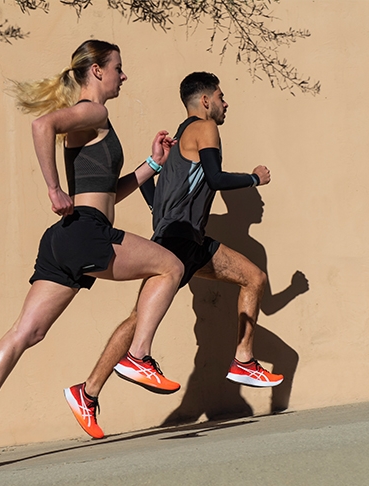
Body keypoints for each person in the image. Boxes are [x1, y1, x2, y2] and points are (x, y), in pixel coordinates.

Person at [0, 40, 185, 467]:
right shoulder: (95, 111)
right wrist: (54, 188)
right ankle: (137, 355)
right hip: (86, 231)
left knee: (27, 332)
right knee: (170, 266)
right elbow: (42, 126)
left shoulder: (93, 121)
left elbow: (107, 193)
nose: (122, 76)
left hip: (66, 235)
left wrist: (152, 165)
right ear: (96, 70)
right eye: (118, 67)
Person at [67, 71, 283, 437]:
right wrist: (253, 179)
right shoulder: (204, 127)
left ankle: (244, 360)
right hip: (178, 240)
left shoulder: (179, 140)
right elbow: (214, 179)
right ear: (204, 101)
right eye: (221, 96)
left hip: (190, 238)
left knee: (253, 278)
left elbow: (154, 196)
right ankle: (87, 391)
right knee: (139, 320)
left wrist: (160, 186)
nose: (225, 103)